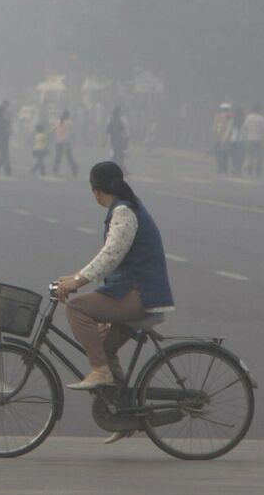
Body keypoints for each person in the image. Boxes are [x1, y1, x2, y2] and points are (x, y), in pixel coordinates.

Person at [54, 160, 174, 444]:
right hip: (135, 291)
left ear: (95, 191)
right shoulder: (125, 207)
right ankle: (125, 415)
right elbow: (110, 254)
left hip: (139, 295)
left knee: (76, 307)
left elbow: (111, 256)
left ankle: (99, 371)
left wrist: (77, 282)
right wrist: (75, 276)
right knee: (104, 345)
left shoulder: (123, 212)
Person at [243, 104, 264, 178]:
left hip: (250, 138)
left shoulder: (248, 117)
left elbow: (245, 128)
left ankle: (250, 170)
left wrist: (246, 137)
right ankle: (258, 171)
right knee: (259, 156)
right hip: (259, 139)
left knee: (250, 155)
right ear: (259, 110)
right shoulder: (261, 118)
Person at [52, 110, 79, 177]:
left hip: (58, 142)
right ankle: (75, 170)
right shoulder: (68, 122)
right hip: (66, 142)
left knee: (58, 157)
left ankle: (55, 170)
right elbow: (71, 132)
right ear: (68, 116)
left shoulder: (57, 121)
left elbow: (53, 130)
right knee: (69, 157)